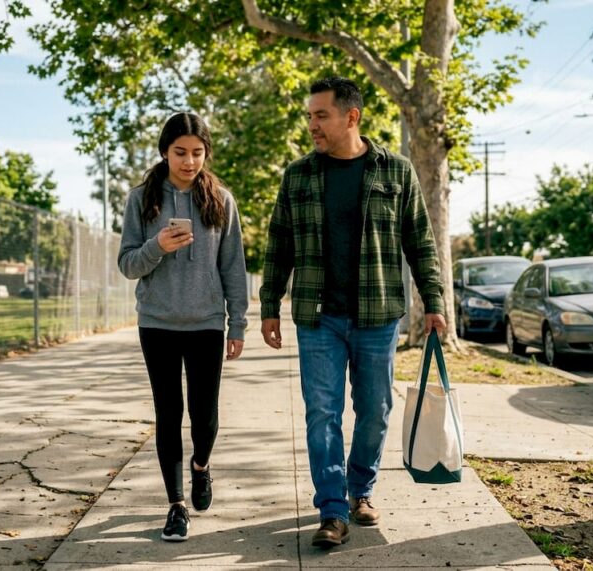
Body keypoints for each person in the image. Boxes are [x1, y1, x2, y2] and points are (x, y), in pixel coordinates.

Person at [259, 77, 446, 549]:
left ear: (351, 116)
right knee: (322, 414)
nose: (312, 125)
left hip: (377, 314)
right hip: (318, 316)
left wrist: (435, 302)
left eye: (320, 115)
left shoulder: (396, 172)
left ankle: (361, 489)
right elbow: (278, 245)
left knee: (375, 411)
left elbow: (420, 242)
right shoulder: (298, 175)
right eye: (309, 116)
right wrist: (268, 307)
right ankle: (333, 510)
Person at [117, 112, 248, 542]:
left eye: (197, 152)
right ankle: (175, 506)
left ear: (206, 152)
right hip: (157, 323)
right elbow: (127, 264)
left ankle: (201, 468)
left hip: (207, 324)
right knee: (168, 414)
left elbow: (233, 267)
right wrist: (157, 246)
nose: (189, 161)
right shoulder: (141, 199)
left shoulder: (220, 201)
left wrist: (238, 324)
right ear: (164, 151)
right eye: (180, 153)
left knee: (205, 416)